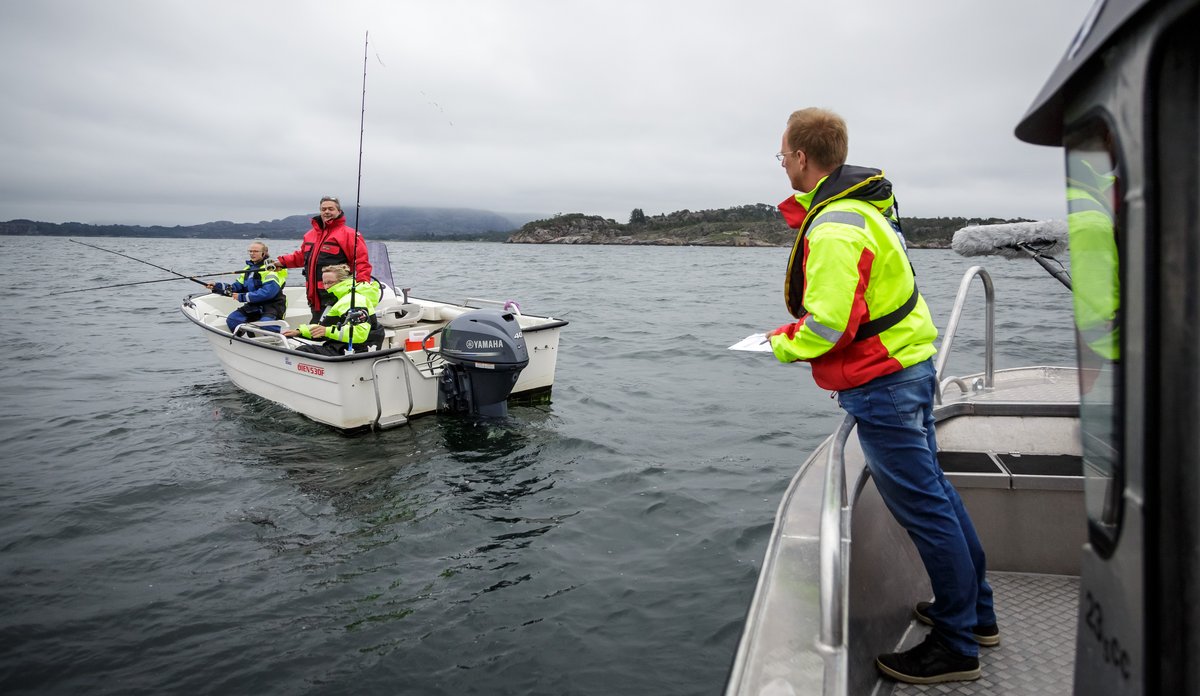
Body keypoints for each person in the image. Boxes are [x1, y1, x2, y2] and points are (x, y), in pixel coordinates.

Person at [765, 108, 996, 684]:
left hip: (884, 385)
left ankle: (957, 645)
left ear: (799, 156)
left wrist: (777, 345)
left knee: (925, 507)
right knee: (937, 496)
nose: (782, 165)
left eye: (782, 156)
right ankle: (975, 613)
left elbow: (829, 325)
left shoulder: (835, 225)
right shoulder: (863, 211)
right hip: (906, 370)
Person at [275, 196, 373, 319]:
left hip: (337, 294)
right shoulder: (310, 234)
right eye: (323, 209)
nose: (327, 212)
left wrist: (362, 287)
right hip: (314, 295)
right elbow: (301, 256)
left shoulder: (349, 234)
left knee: (324, 329)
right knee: (317, 326)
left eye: (331, 209)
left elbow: (361, 262)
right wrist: (281, 263)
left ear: (338, 211)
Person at [283, 264, 383, 355]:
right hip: (342, 346)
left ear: (342, 281)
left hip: (357, 350)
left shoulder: (354, 299)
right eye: (324, 283)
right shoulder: (339, 299)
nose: (326, 287)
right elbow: (324, 327)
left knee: (301, 351)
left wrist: (326, 331)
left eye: (330, 282)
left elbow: (360, 333)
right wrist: (300, 332)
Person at [207, 240, 288, 333]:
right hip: (254, 305)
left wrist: (242, 297)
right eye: (250, 251)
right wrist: (216, 287)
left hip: (273, 306)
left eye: (255, 251)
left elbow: (268, 293)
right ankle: (246, 340)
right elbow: (236, 287)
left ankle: (288, 337)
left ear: (264, 253)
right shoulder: (248, 270)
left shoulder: (271, 270)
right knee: (232, 320)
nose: (252, 253)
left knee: (266, 324)